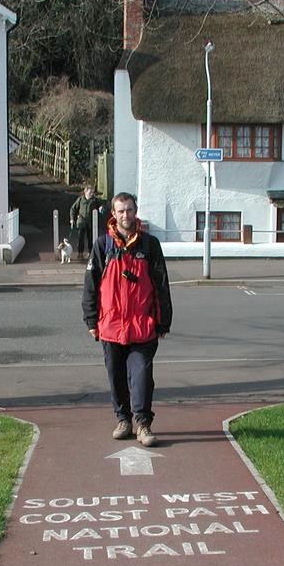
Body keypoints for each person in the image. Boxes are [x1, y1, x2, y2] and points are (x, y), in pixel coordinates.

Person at [82, 192, 172, 448]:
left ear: (135, 211)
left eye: (129, 210)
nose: (125, 215)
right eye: (121, 211)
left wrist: (163, 320)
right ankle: (123, 420)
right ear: (113, 213)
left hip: (142, 327)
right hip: (110, 327)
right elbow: (90, 286)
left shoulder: (149, 245)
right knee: (117, 377)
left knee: (142, 377)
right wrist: (91, 320)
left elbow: (161, 284)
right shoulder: (103, 246)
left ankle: (143, 424)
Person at [69, 185, 103, 259]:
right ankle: (80, 253)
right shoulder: (80, 199)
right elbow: (73, 209)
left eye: (92, 192)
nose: (91, 194)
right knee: (80, 237)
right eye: (90, 192)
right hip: (81, 220)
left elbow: (101, 205)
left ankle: (90, 253)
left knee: (90, 238)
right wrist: (72, 219)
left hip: (91, 221)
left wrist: (101, 208)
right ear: (85, 192)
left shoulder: (95, 200)